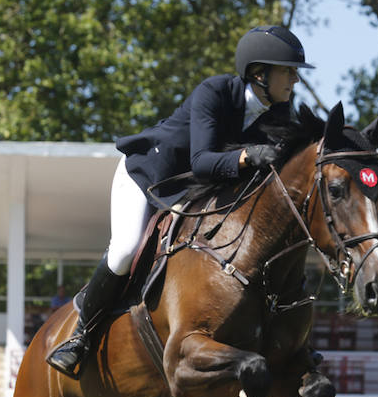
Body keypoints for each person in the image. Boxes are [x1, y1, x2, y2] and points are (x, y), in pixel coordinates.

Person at [47, 25, 313, 378]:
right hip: (150, 177)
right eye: (288, 71)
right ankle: (82, 336)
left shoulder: (280, 113)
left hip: (195, 192)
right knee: (126, 249)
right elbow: (202, 161)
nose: (294, 79)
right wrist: (248, 156)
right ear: (259, 73)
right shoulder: (215, 92)